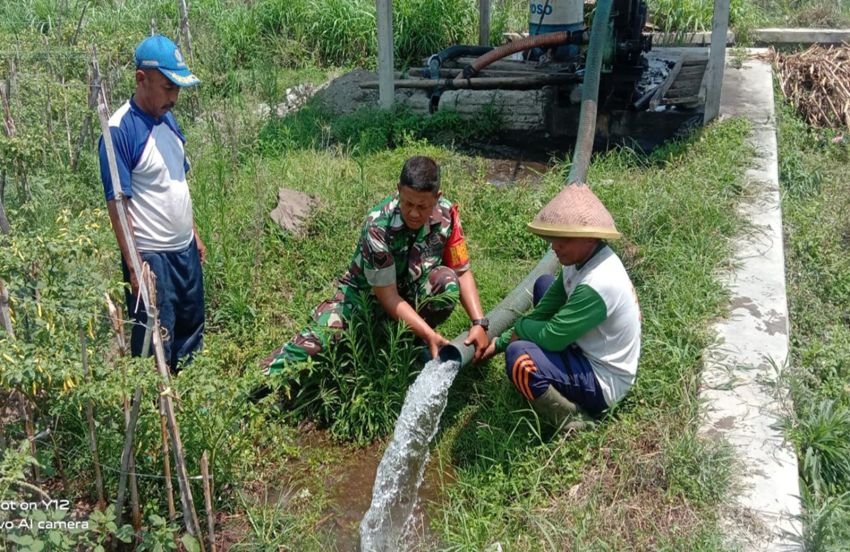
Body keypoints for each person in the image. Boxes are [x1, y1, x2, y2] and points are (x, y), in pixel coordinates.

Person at [263, 156, 490, 375]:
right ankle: (257, 381)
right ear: (398, 190)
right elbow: (388, 296)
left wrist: (479, 323)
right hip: (364, 297)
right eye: (408, 203)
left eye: (422, 206)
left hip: (410, 291)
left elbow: (462, 272)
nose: (413, 212)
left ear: (437, 197)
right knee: (314, 343)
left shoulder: (447, 214)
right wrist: (431, 335)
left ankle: (408, 343)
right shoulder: (378, 226)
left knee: (447, 283)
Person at [483, 183, 641, 430]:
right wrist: (499, 342)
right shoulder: (580, 260)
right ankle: (555, 374)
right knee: (544, 284)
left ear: (589, 238)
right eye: (553, 239)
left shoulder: (600, 282)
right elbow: (547, 307)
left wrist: (519, 330)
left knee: (520, 359)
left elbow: (553, 338)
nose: (555, 246)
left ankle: (574, 420)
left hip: (603, 380)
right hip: (588, 348)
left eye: (564, 240)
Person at [98, 34, 205, 371]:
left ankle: (190, 399)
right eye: (167, 87)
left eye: (177, 89)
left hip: (184, 252)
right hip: (152, 260)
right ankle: (156, 414)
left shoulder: (168, 121)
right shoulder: (120, 131)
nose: (174, 97)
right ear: (141, 79)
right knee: (155, 340)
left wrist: (194, 234)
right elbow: (117, 204)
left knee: (191, 331)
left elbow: (177, 181)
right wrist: (135, 268)